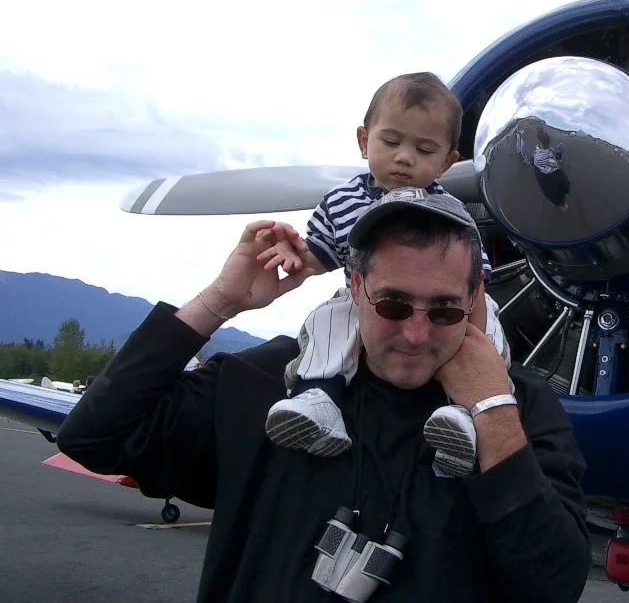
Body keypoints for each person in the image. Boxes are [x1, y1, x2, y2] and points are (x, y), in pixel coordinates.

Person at [56, 195, 591, 602]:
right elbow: (96, 437)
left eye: (446, 310)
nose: (415, 334)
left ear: (476, 298)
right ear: (355, 287)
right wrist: (220, 301)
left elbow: (554, 583)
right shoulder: (270, 381)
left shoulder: (518, 407)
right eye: (394, 305)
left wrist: (492, 410)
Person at [258, 72, 510, 478]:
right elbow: (317, 255)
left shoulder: (458, 215)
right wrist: (289, 252)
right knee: (329, 315)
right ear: (364, 141)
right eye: (391, 142)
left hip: (446, 314)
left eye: (424, 148)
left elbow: (473, 288)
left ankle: (465, 414)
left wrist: (471, 338)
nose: (404, 157)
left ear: (448, 161)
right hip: (370, 306)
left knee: (490, 320)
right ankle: (319, 397)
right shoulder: (340, 201)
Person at [531, 127, 570, 211]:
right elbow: (563, 181)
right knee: (558, 194)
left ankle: (558, 204)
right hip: (550, 180)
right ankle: (562, 205)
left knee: (552, 195)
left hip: (541, 178)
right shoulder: (549, 160)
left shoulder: (537, 150)